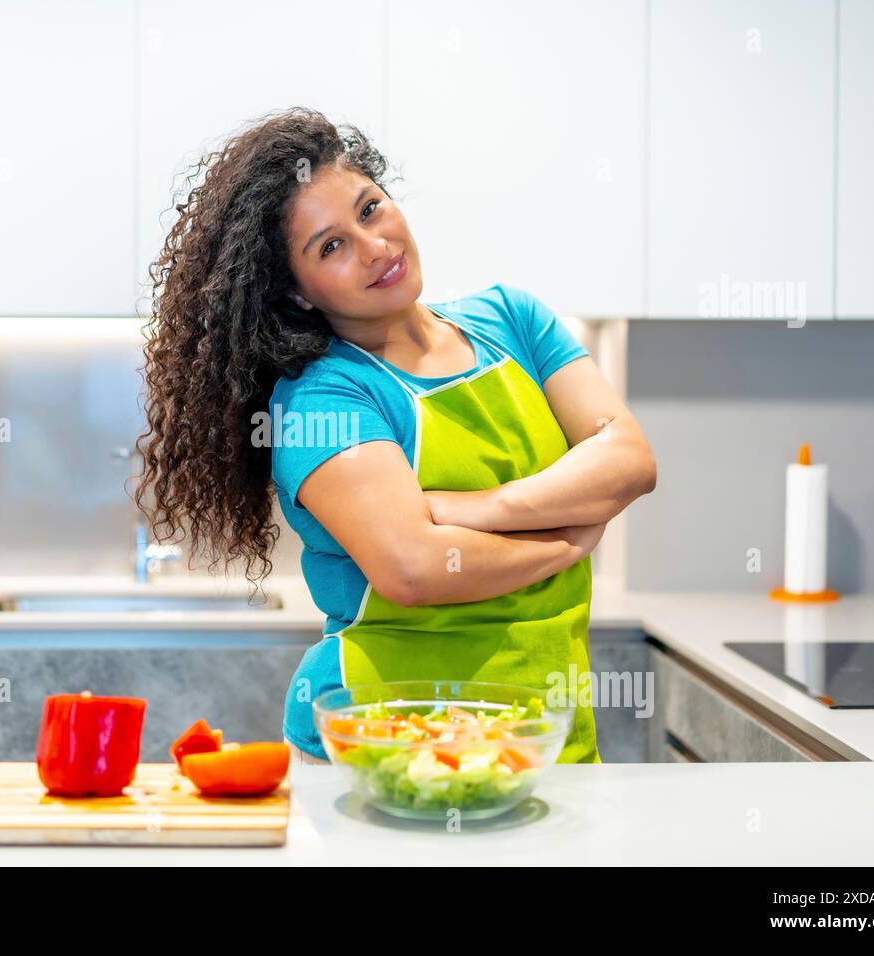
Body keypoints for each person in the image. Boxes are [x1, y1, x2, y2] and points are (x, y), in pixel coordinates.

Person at [135, 107, 657, 767]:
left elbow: (629, 457)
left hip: (543, 736)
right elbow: (414, 568)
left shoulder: (514, 320)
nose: (375, 247)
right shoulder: (324, 399)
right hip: (384, 751)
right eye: (330, 246)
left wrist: (476, 510)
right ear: (297, 294)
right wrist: (567, 540)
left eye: (370, 209)